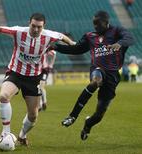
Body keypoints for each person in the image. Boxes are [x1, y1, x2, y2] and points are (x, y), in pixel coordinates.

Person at [0, 12, 75, 146]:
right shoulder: (19, 32)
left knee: (33, 116)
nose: (36, 29)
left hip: (34, 78)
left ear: (44, 26)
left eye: (39, 27)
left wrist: (72, 43)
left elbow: (62, 36)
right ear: (29, 23)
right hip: (15, 73)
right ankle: (5, 133)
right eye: (33, 26)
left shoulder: (49, 35)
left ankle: (22, 136)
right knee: (3, 96)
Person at [49, 10, 135, 140]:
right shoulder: (90, 36)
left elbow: (129, 38)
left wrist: (119, 44)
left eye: (98, 24)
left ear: (106, 22)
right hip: (98, 69)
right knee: (95, 81)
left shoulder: (117, 31)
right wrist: (56, 47)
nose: (95, 26)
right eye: (94, 24)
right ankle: (72, 116)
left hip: (112, 75)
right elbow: (76, 49)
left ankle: (88, 124)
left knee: (99, 114)